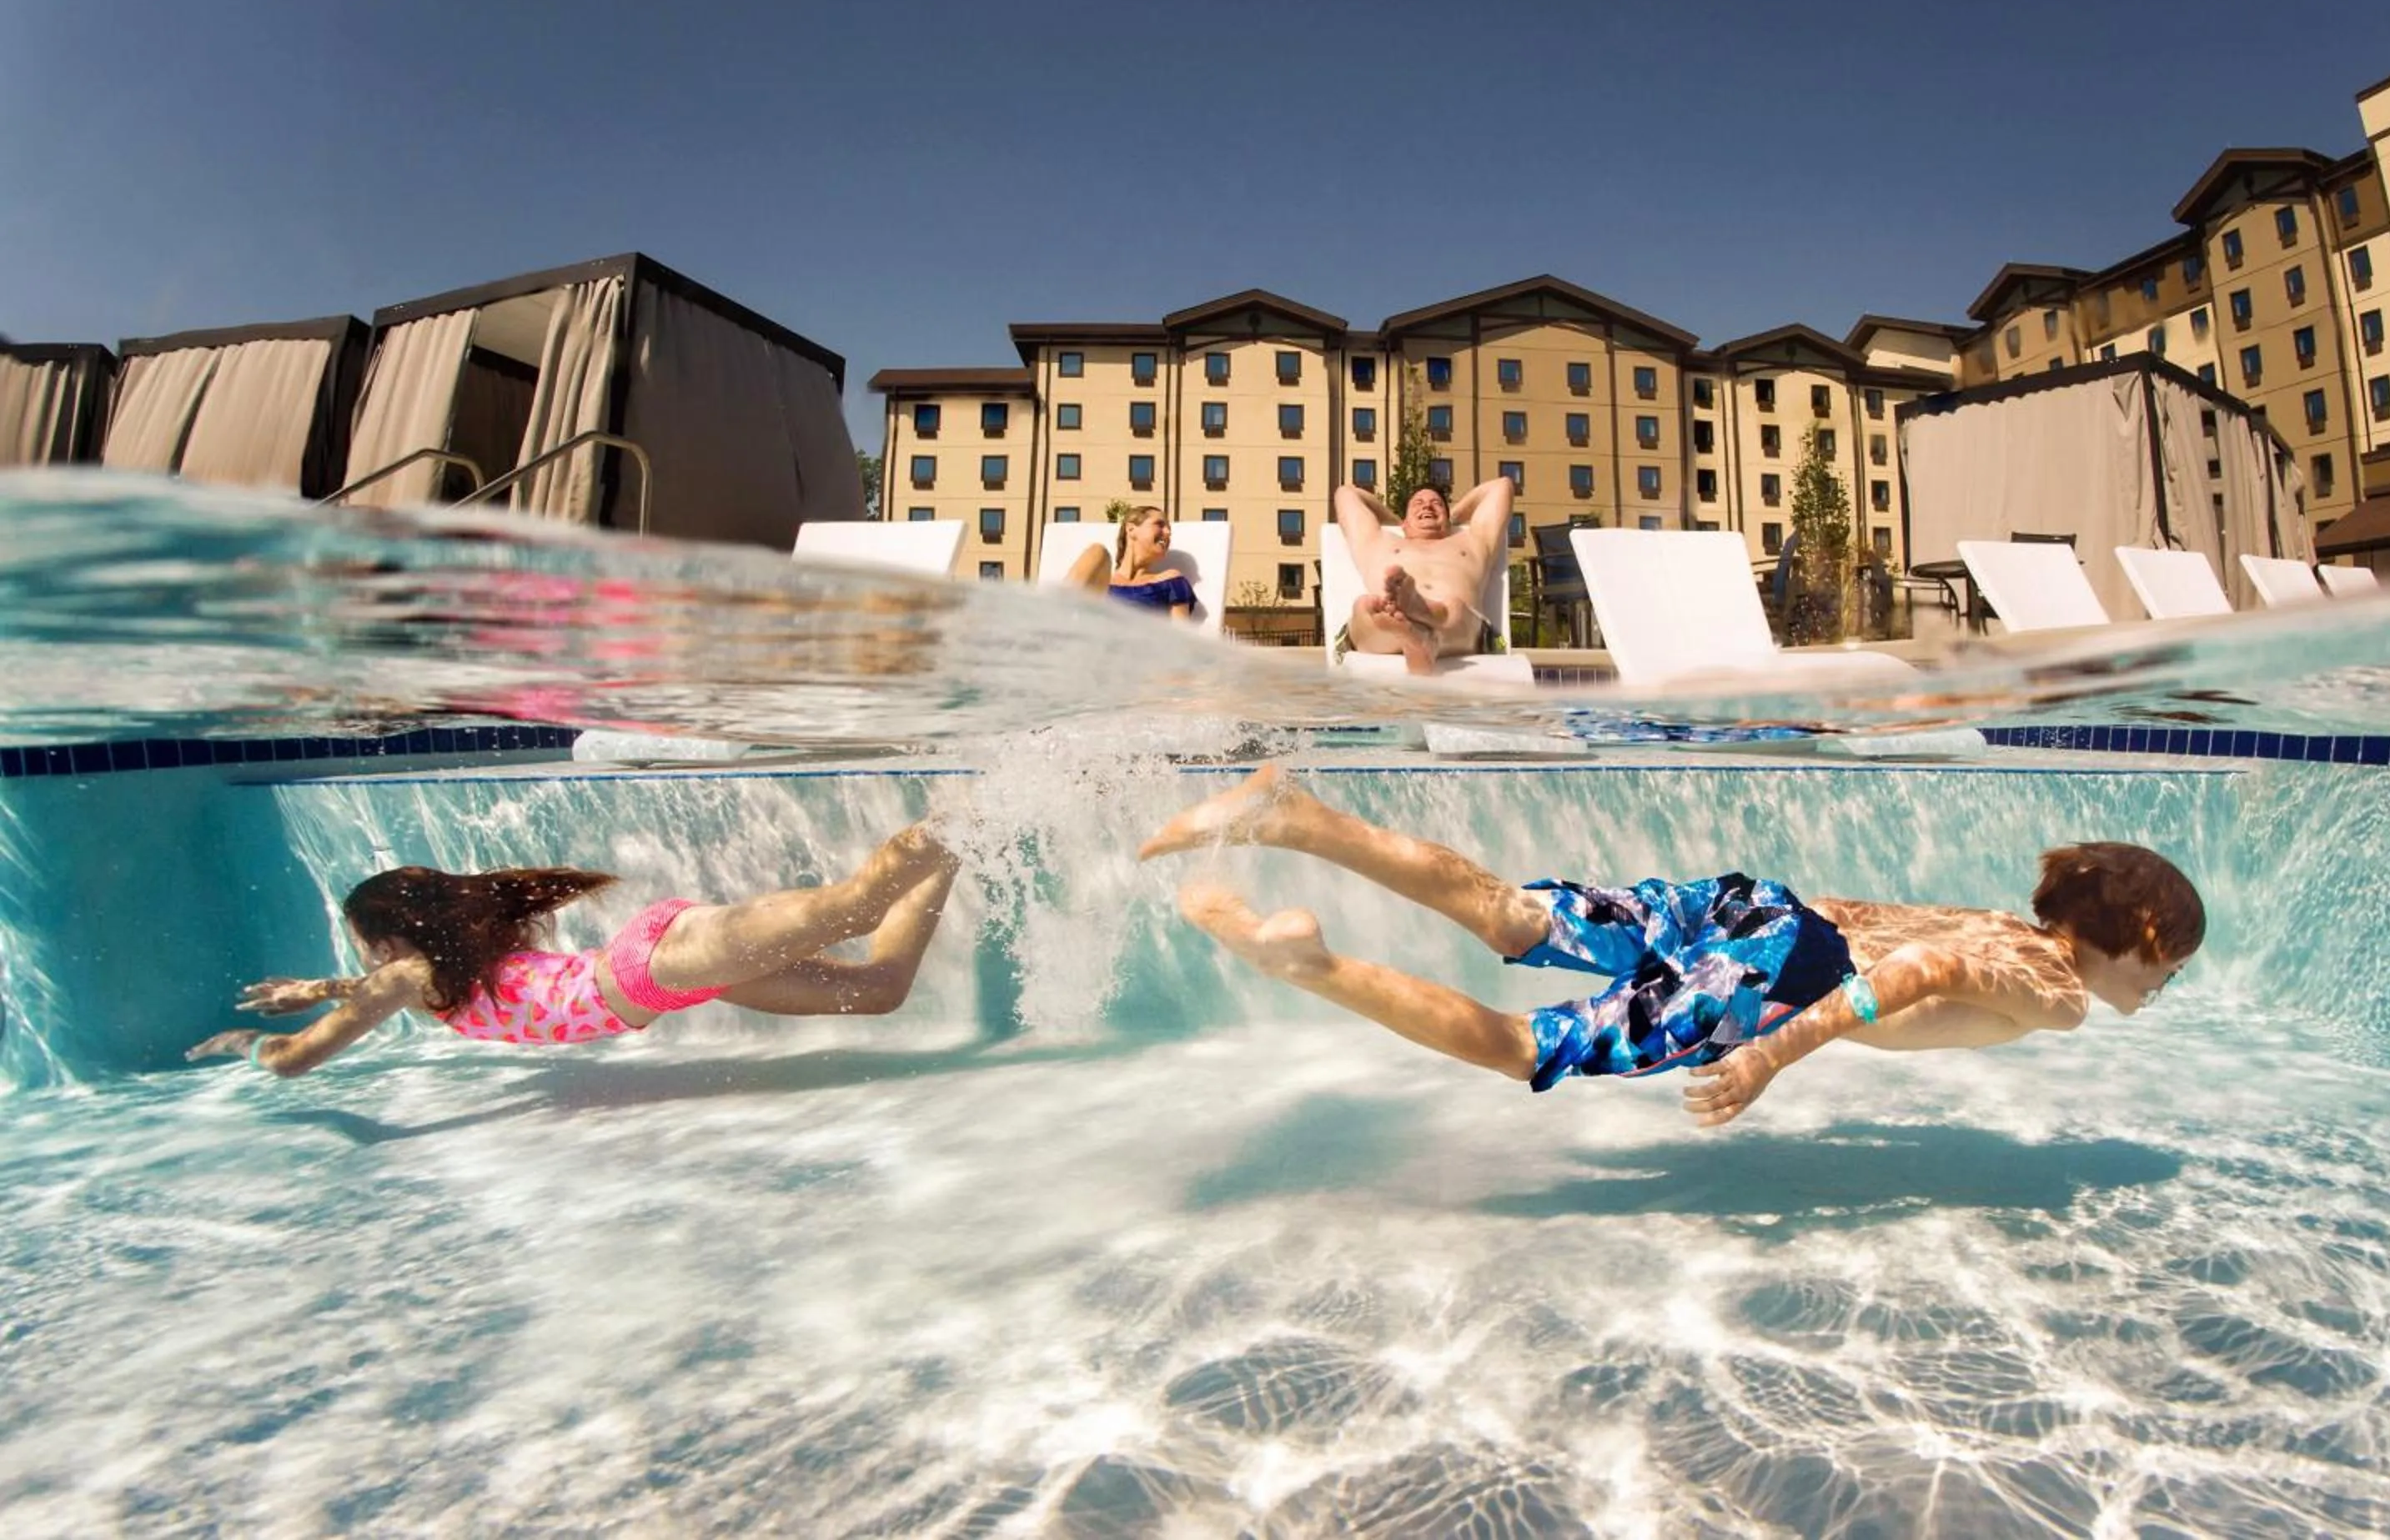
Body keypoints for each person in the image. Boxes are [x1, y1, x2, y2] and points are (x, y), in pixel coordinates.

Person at [1140, 767, 2201, 1126]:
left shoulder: (2003, 924)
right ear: (2142, 936)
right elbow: (1916, 972)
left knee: (1510, 914)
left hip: (1760, 910)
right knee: (1523, 1046)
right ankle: (1310, 965)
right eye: (2170, 964)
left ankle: (1295, 817)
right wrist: (1770, 1050)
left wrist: (1751, 948)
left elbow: (1870, 920)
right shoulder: (2053, 989)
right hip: (1783, 972)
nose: (2165, 983)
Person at [187, 824, 958, 1076]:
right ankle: (957, 847)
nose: (364, 959)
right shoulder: (441, 973)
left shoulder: (408, 979)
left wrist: (249, 1045)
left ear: (388, 941)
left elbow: (296, 1060)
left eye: (364, 945)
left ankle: (963, 808)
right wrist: (320, 988)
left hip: (657, 964)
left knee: (856, 906)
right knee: (881, 988)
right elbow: (370, 989)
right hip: (671, 981)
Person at [1335, 478, 1514, 675]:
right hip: (1384, 628)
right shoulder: (1378, 541)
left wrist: (1453, 516)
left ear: (1447, 519)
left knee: (1454, 607)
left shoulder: (1473, 540)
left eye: (1437, 504)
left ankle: (1423, 616)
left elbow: (1502, 486)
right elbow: (1347, 494)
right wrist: (1394, 522)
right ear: (1405, 522)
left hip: (1461, 630)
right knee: (1365, 606)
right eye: (1418, 504)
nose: (1427, 506)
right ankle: (1418, 634)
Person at [1064, 505, 1201, 623]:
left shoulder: (1171, 580)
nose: (1168, 532)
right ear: (1131, 529)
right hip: (1091, 640)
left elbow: (1181, 634)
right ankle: (1056, 616)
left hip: (1139, 645)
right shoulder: (1100, 582)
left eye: (1169, 529)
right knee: (1097, 551)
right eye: (1160, 524)